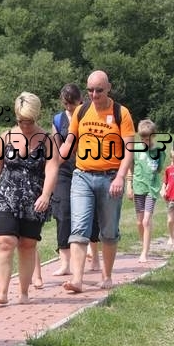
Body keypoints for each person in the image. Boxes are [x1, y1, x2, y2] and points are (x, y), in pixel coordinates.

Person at [0, 92, 59, 306]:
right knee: (5, 242)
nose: (25, 125)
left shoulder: (46, 140)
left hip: (34, 199)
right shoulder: (5, 138)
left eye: (29, 121)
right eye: (21, 121)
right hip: (6, 195)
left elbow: (51, 169)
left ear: (36, 117)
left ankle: (23, 292)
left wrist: (46, 195)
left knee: (27, 245)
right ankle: (2, 292)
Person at [59, 70, 135, 292]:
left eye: (99, 90)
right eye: (90, 90)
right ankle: (77, 280)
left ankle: (107, 276)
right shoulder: (81, 112)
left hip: (111, 178)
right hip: (82, 176)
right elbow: (69, 144)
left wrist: (121, 177)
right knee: (79, 228)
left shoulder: (122, 113)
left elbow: (129, 150)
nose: (94, 94)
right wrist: (53, 159)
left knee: (109, 231)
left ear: (109, 88)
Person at [50, 83, 100, 277]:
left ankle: (94, 255)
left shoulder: (90, 115)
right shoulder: (58, 119)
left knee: (90, 211)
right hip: (64, 169)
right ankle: (65, 263)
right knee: (62, 212)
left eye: (72, 103)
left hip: (87, 166)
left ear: (81, 100)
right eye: (66, 104)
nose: (69, 108)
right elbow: (56, 147)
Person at [126, 119, 164, 263]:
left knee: (147, 221)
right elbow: (130, 168)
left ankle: (144, 252)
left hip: (151, 189)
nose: (144, 141)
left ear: (153, 136)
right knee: (139, 222)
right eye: (142, 138)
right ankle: (144, 244)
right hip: (138, 187)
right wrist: (129, 185)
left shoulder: (158, 151)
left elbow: (160, 169)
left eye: (147, 139)